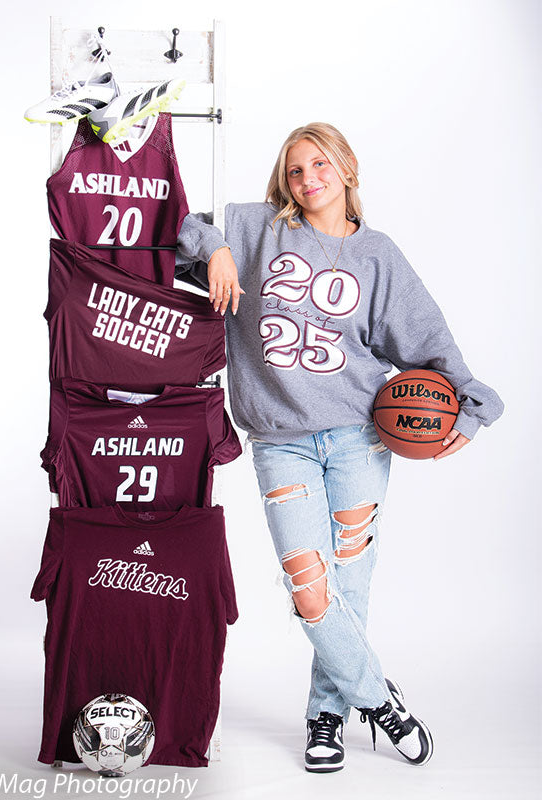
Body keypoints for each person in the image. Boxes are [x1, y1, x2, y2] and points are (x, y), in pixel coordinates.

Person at [176, 122, 504, 773]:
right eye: (295, 170)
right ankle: (382, 702)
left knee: (347, 589)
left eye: (320, 165)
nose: (308, 180)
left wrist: (470, 400)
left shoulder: (378, 255)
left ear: (347, 168)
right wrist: (213, 250)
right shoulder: (258, 229)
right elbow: (185, 223)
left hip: (359, 438)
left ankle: (324, 718)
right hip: (280, 443)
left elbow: (424, 337)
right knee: (310, 589)